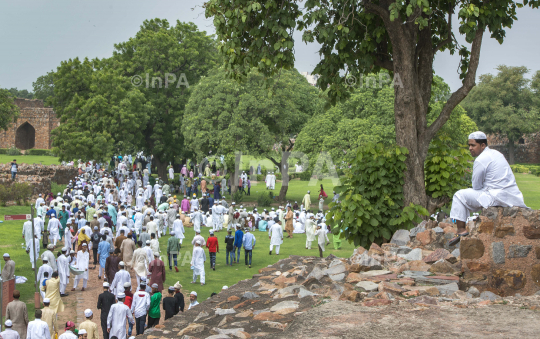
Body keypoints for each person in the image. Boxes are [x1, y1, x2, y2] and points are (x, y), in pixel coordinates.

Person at [449, 131, 527, 246]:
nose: (470, 148)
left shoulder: (481, 159)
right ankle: (463, 225)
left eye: (473, 145)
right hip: (512, 196)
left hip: (494, 196)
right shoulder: (497, 153)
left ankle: (461, 230)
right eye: (469, 145)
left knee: (459, 195)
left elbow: (476, 186)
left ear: (483, 145)